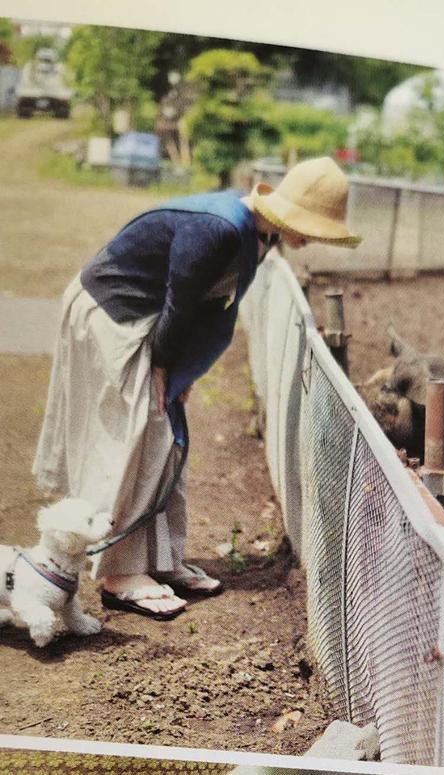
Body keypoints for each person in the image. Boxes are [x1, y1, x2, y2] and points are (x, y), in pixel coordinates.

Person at [32, 156, 361, 620]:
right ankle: (118, 572)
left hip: (153, 319)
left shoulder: (259, 233)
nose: (313, 239)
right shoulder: (221, 229)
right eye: (312, 226)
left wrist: (185, 369)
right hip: (114, 312)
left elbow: (205, 306)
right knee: (141, 430)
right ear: (287, 212)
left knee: (166, 434)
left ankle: (159, 560)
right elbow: (180, 303)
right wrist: (166, 368)